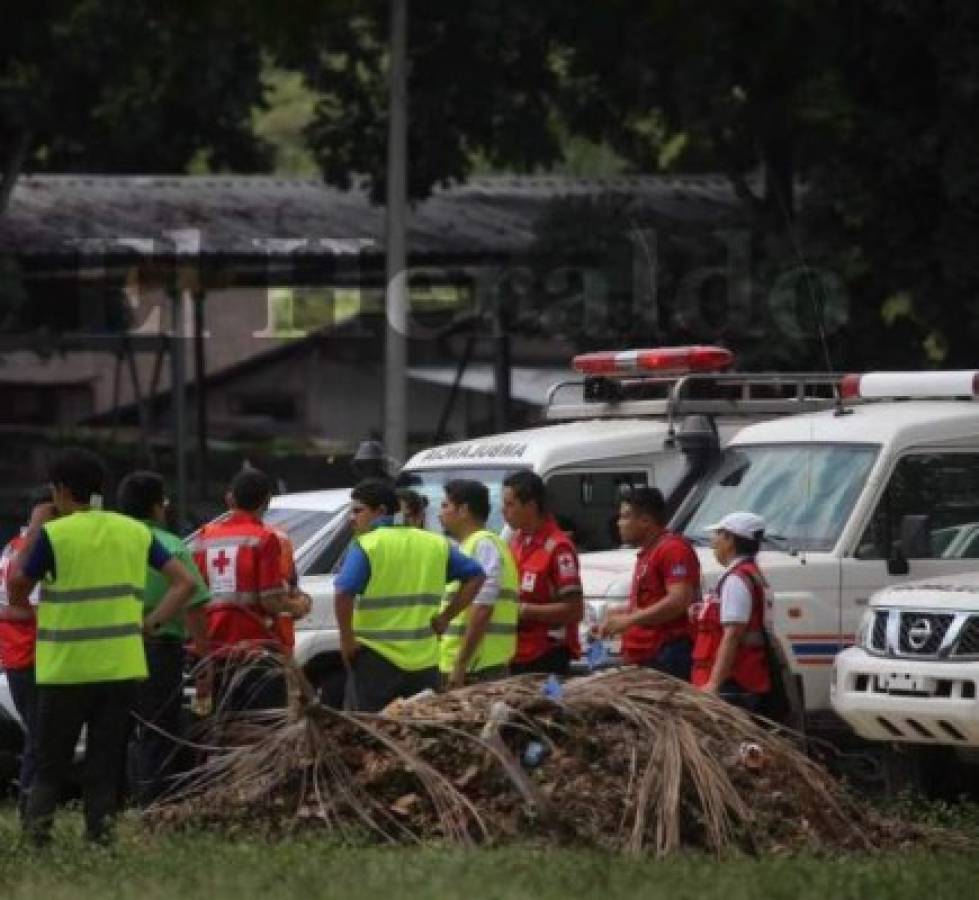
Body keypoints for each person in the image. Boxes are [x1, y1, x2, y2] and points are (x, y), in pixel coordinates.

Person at [8, 448, 195, 845]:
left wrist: (36, 532)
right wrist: (153, 622)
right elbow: (185, 583)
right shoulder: (133, 531)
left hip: (66, 668)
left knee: (49, 762)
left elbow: (17, 584)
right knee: (105, 760)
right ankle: (100, 838)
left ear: (59, 490)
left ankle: (37, 840)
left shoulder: (57, 535)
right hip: (120, 667)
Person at [334, 478, 485, 712]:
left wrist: (346, 639)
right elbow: (476, 576)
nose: (351, 518)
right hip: (424, 664)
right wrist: (446, 617)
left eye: (358, 510)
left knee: (368, 735)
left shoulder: (367, 545)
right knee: (420, 734)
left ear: (381, 511)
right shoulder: (435, 543)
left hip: (376, 661)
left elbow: (343, 592)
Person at [116, 471, 211, 805]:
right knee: (158, 730)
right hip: (159, 649)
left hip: (111, 647)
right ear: (157, 507)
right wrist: (204, 659)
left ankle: (112, 803)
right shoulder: (171, 547)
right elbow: (196, 605)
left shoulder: (111, 544)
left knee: (114, 728)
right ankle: (153, 804)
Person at [190, 468, 292, 713]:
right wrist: (298, 606)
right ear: (267, 501)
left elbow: (194, 594)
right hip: (255, 651)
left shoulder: (204, 538)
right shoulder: (264, 538)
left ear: (230, 499)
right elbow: (270, 600)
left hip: (214, 650)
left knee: (222, 726)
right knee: (260, 730)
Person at [600, 487, 700, 679]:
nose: (619, 523)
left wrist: (629, 620)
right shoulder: (649, 551)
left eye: (625, 517)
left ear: (645, 521)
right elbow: (651, 603)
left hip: (667, 654)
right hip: (647, 655)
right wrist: (621, 615)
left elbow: (679, 600)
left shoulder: (673, 549)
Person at [437, 480, 518, 688]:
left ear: (463, 510)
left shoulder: (483, 545)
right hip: (470, 664)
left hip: (477, 668)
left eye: (445, 506)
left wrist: (461, 664)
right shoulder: (470, 546)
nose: (440, 513)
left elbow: (482, 608)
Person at [501, 471, 583, 676]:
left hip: (546, 655)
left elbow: (574, 610)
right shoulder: (517, 542)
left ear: (530, 506)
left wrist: (524, 611)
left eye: (510, 504)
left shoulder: (559, 548)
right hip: (517, 651)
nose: (504, 511)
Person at [692, 511, 772, 711]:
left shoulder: (737, 579)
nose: (713, 542)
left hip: (735, 681)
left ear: (729, 539)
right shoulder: (749, 573)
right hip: (740, 677)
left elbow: (733, 635)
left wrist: (714, 684)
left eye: (718, 535)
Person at [0, 509, 41, 815]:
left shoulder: (11, 547)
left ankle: (29, 804)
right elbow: (37, 609)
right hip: (34, 654)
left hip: (14, 655)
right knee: (41, 737)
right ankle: (30, 807)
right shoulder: (37, 551)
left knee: (36, 735)